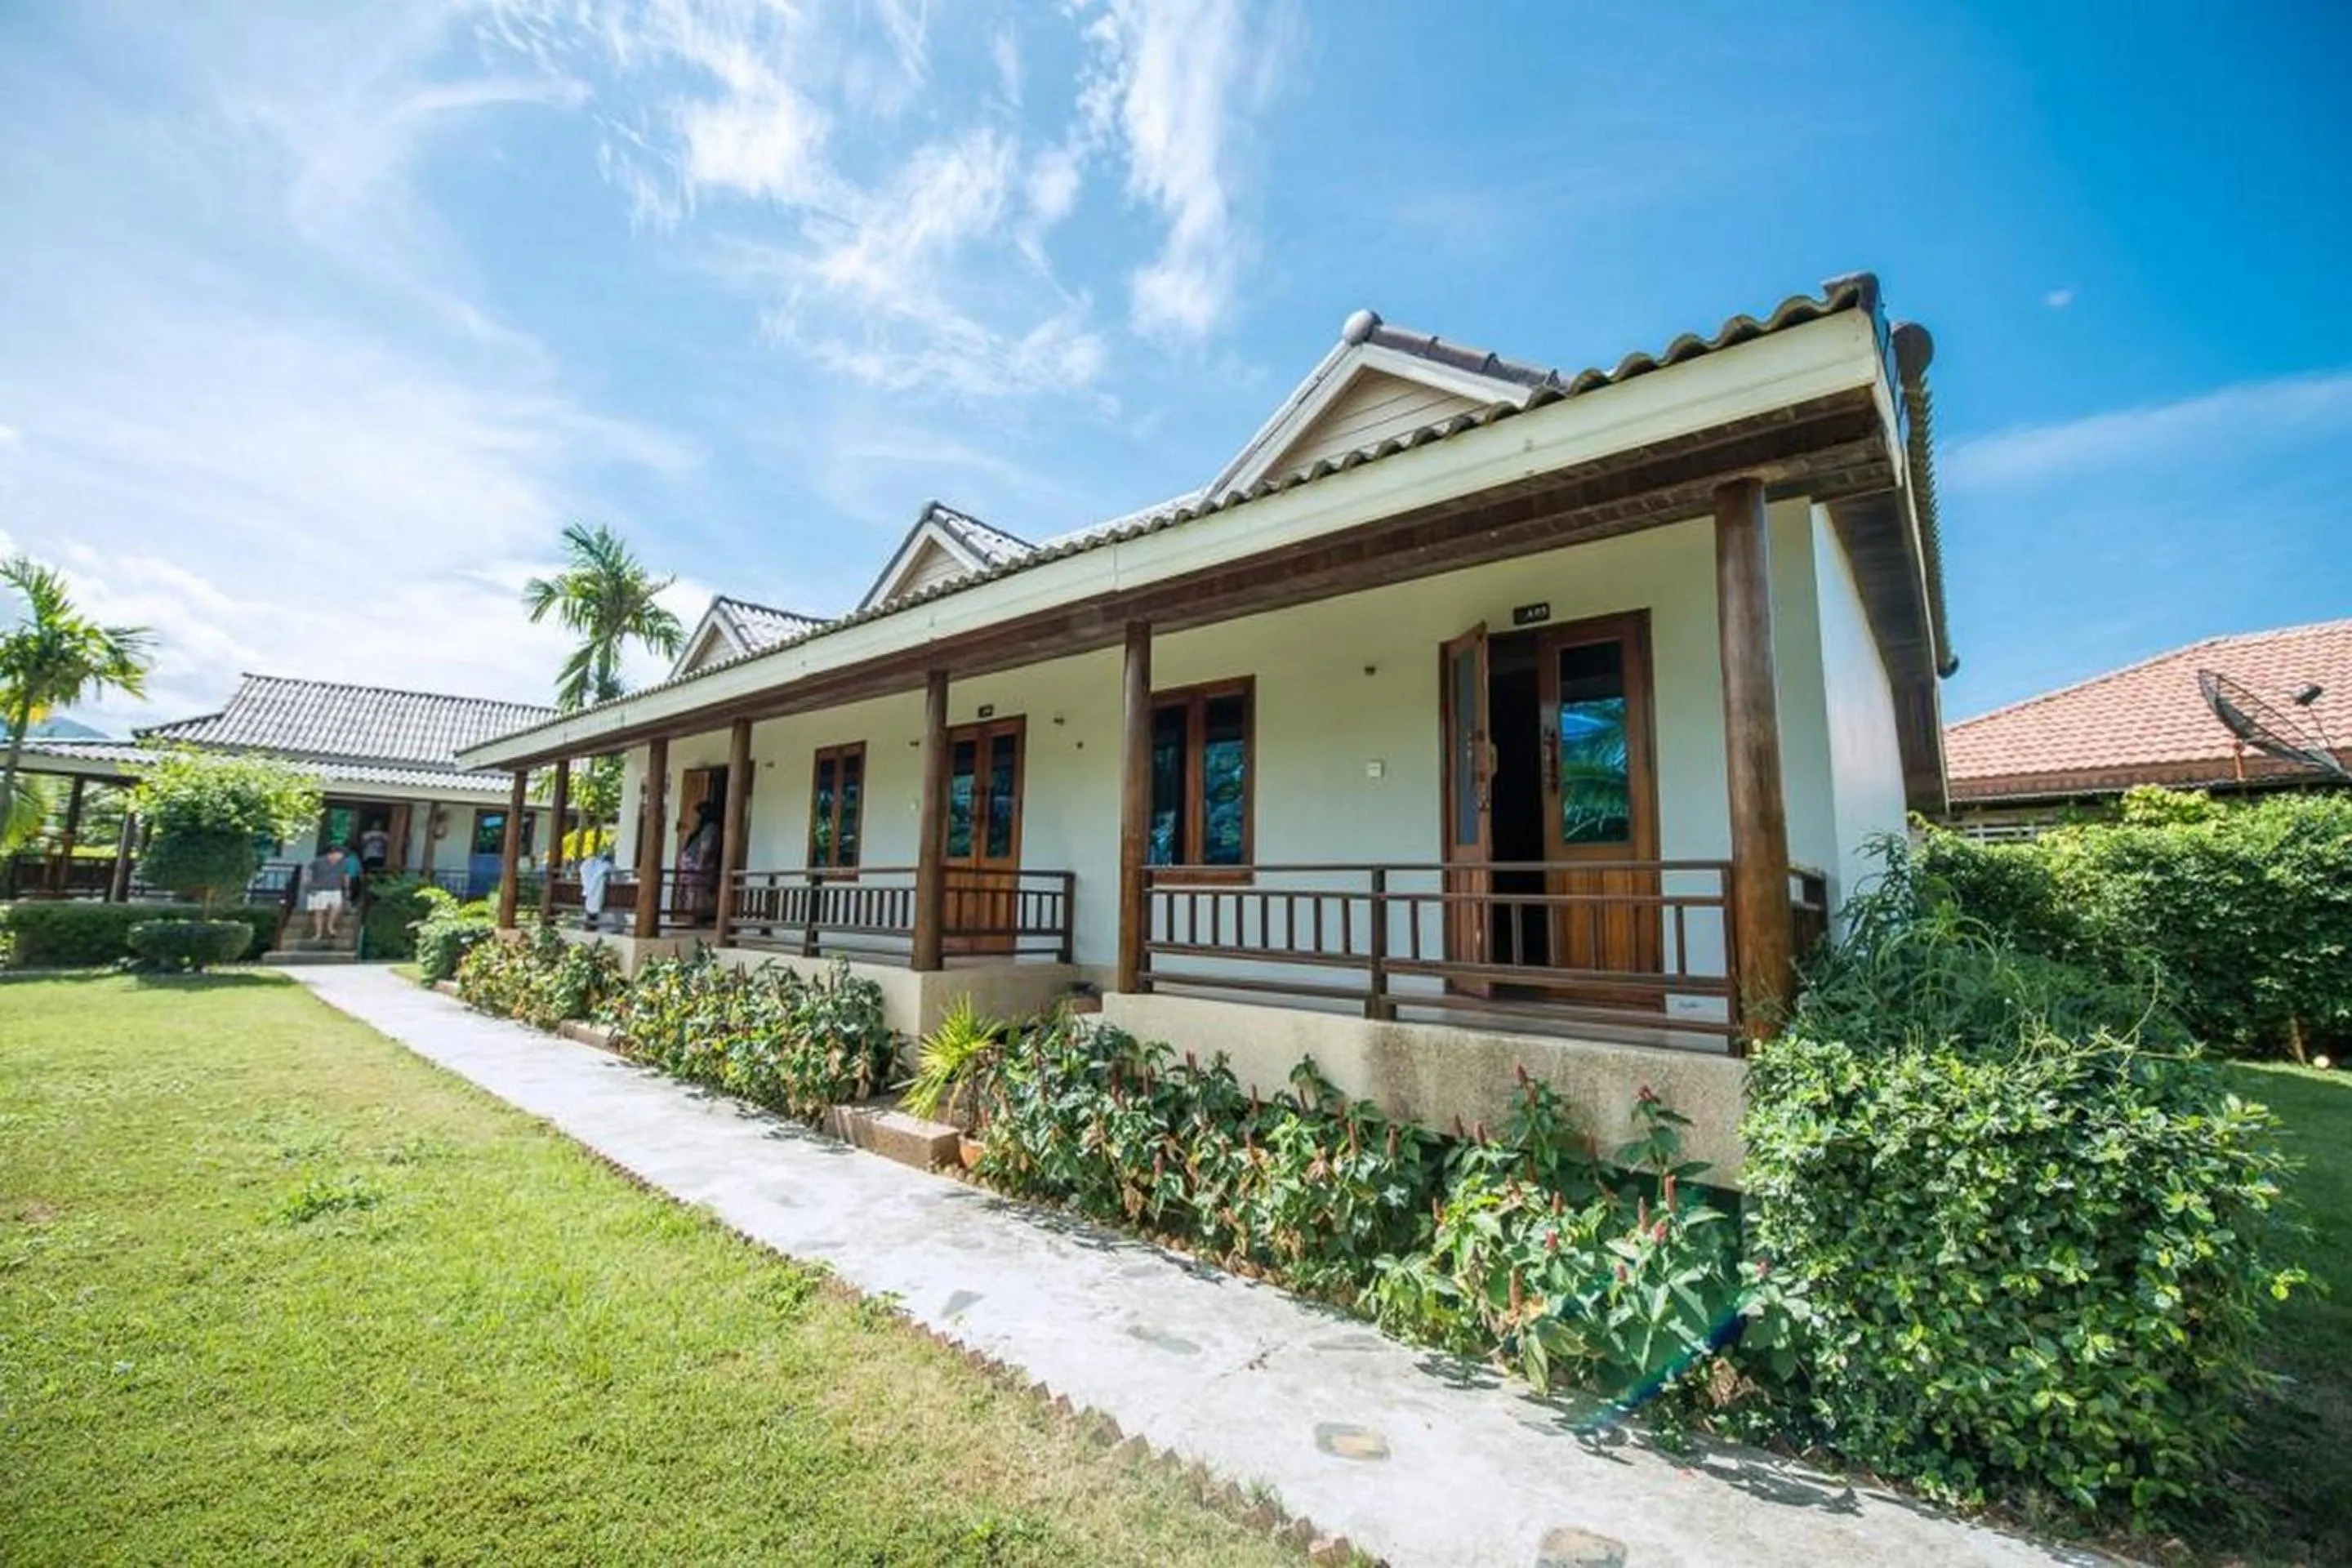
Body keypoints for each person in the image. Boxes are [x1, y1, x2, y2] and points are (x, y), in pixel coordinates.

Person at [677, 800, 722, 925]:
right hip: (690, 867)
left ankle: (695, 921)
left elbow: (706, 848)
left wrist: (700, 866)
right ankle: (691, 919)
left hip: (697, 868)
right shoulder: (699, 829)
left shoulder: (710, 828)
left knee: (695, 894)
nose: (695, 817)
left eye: (697, 814)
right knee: (689, 895)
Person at [304, 844, 353, 942]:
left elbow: (346, 875)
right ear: (334, 853)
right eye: (341, 854)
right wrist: (307, 884)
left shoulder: (343, 863)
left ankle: (330, 926)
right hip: (319, 889)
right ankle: (318, 933)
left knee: (336, 908)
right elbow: (308, 872)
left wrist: (347, 888)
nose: (342, 857)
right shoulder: (319, 861)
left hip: (336, 889)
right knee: (319, 912)